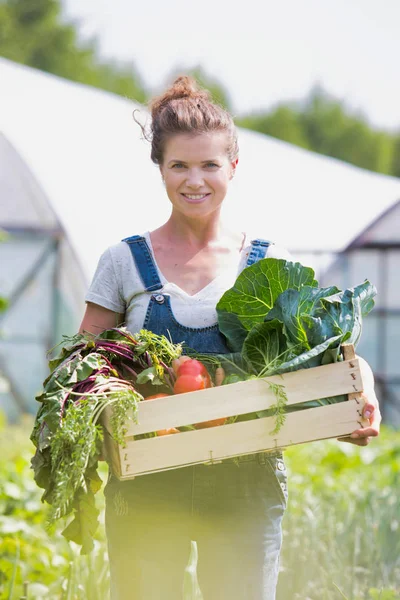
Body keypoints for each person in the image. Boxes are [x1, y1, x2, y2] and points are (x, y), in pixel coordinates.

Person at [79, 76, 381, 600]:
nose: (194, 180)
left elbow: (328, 349)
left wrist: (364, 392)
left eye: (209, 165)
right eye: (179, 165)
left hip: (248, 482)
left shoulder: (271, 264)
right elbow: (80, 366)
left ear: (233, 168)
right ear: (160, 170)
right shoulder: (122, 262)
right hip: (147, 479)